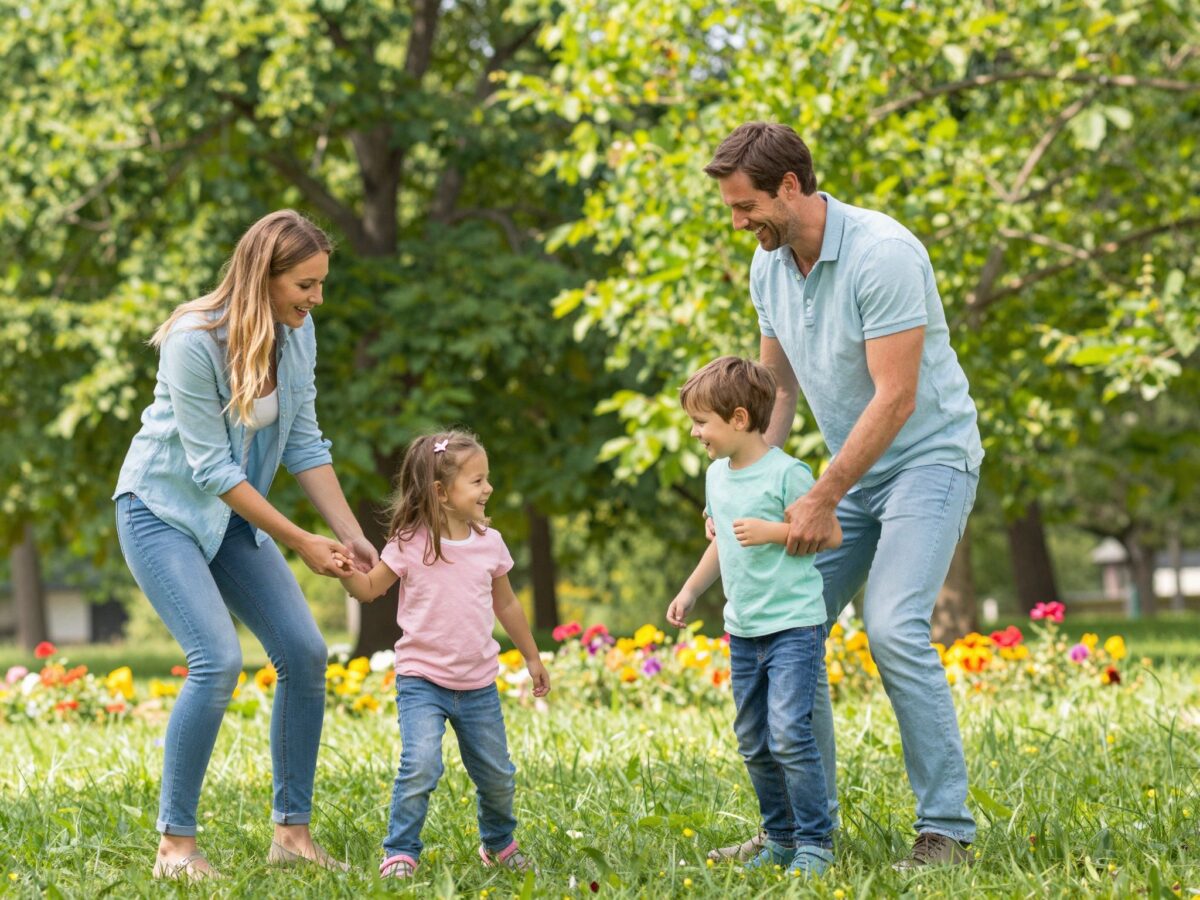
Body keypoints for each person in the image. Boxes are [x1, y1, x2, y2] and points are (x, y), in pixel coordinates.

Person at [702, 122, 984, 869]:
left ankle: (946, 831)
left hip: (927, 459)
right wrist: (755, 487)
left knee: (891, 627)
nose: (739, 223)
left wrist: (822, 495)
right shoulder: (769, 266)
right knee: (781, 625)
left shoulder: (882, 254)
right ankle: (796, 831)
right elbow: (776, 396)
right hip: (846, 473)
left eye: (746, 205)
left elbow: (895, 398)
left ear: (790, 186)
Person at [113, 209, 379, 880]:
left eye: (320, 285)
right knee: (217, 659)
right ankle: (175, 847)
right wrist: (301, 542)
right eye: (306, 285)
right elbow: (211, 469)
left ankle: (292, 835)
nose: (317, 299)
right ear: (266, 275)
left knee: (304, 650)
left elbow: (304, 442)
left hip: (231, 520)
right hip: (162, 512)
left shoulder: (297, 335)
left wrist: (351, 536)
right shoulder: (192, 340)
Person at [336, 429, 550, 880]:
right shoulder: (410, 542)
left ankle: (498, 844)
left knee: (497, 775)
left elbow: (507, 604)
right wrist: (345, 573)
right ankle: (400, 851)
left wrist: (531, 657)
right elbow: (372, 588)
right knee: (421, 765)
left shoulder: (489, 543)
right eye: (476, 481)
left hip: (478, 684)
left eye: (486, 478)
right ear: (440, 492)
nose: (488, 488)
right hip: (422, 681)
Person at [666, 356, 838, 878]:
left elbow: (830, 535)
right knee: (755, 739)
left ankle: (815, 841)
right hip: (743, 631)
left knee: (789, 733)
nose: (696, 433)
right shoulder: (717, 478)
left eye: (702, 423)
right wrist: (691, 590)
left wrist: (774, 532)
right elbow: (721, 545)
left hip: (793, 628)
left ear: (739, 419)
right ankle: (780, 838)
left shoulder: (789, 473)